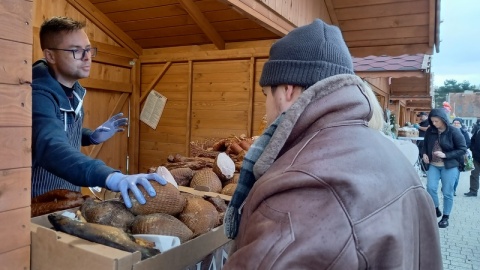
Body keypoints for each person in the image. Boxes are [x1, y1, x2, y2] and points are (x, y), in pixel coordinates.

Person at [223, 19, 442, 269]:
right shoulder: (392, 155)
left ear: (287, 90)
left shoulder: (303, 188)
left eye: (266, 95)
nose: (266, 106)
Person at [32, 17, 166, 208]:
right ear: (50, 56)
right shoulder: (38, 95)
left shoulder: (74, 89)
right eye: (76, 51)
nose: (87, 57)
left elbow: (61, 129)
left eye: (88, 49)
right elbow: (51, 146)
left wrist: (90, 137)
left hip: (69, 194)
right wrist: (110, 176)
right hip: (39, 203)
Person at [422, 109, 467, 228]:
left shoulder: (454, 131)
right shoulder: (430, 131)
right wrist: (424, 154)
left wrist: (446, 155)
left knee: (447, 192)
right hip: (433, 165)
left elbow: (462, 149)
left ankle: (445, 217)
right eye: (432, 121)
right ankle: (436, 208)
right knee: (430, 188)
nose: (434, 124)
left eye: (437, 121)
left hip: (450, 166)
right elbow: (424, 145)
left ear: (443, 119)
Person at [451, 118, 471, 195]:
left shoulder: (464, 132)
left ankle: (453, 189)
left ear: (461, 124)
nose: (456, 124)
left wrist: (462, 148)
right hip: (449, 155)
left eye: (458, 123)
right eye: (454, 123)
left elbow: (468, 143)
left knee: (456, 174)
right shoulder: (447, 131)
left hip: (460, 156)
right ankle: (447, 188)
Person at [465, 126, 480, 197]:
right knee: (474, 175)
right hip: (476, 157)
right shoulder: (478, 129)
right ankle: (473, 191)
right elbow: (472, 140)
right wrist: (473, 149)